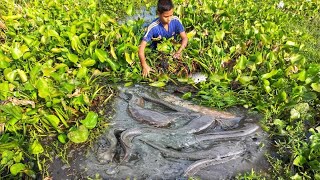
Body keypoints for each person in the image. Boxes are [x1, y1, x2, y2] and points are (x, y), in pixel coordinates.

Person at [138, 0, 188, 77]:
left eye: (171, 15)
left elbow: (184, 38)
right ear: (158, 13)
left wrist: (179, 51)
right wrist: (144, 65)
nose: (169, 19)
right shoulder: (153, 27)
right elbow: (141, 48)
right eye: (166, 16)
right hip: (157, 52)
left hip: (172, 49)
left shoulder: (176, 20)